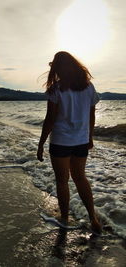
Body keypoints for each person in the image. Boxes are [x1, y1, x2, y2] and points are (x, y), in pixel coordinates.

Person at [37, 51, 102, 234]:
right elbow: (91, 114)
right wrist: (90, 137)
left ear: (57, 69)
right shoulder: (88, 87)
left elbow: (50, 119)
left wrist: (41, 143)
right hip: (81, 141)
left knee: (62, 181)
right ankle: (93, 219)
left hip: (60, 142)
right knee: (80, 178)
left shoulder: (56, 89)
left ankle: (64, 219)